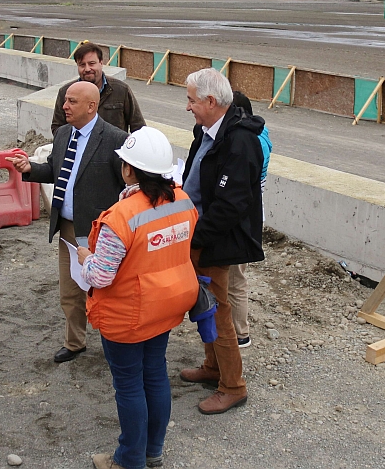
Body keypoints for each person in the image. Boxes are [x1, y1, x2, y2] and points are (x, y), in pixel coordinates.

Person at [76, 127, 199, 469]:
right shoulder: (182, 200)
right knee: (155, 374)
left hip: (127, 315)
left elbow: (101, 275)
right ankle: (153, 451)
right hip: (167, 304)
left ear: (129, 169)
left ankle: (129, 460)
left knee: (129, 385)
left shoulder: (123, 216)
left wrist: (86, 257)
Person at [8, 81, 128, 363]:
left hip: (102, 231)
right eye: (65, 100)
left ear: (91, 106)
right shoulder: (62, 134)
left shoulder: (115, 139)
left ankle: (118, 344)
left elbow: (126, 185)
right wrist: (30, 169)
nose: (64, 106)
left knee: (109, 289)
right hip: (68, 228)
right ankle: (75, 342)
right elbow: (55, 170)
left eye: (72, 101)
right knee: (71, 290)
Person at [179, 68, 265, 415]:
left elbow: (230, 204)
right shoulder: (206, 131)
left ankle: (233, 386)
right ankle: (212, 368)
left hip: (214, 239)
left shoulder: (240, 141)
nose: (188, 107)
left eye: (191, 100)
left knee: (218, 311)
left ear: (211, 102)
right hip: (200, 234)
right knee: (205, 307)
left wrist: (196, 240)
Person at [227, 91, 272, 349]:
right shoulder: (262, 134)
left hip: (243, 219)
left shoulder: (250, 142)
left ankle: (240, 334)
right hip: (251, 216)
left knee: (236, 280)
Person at [51, 41, 145, 136]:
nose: (87, 69)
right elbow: (57, 128)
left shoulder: (121, 90)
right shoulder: (66, 92)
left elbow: (138, 127)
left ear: (101, 63)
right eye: (82, 65)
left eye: (92, 63)